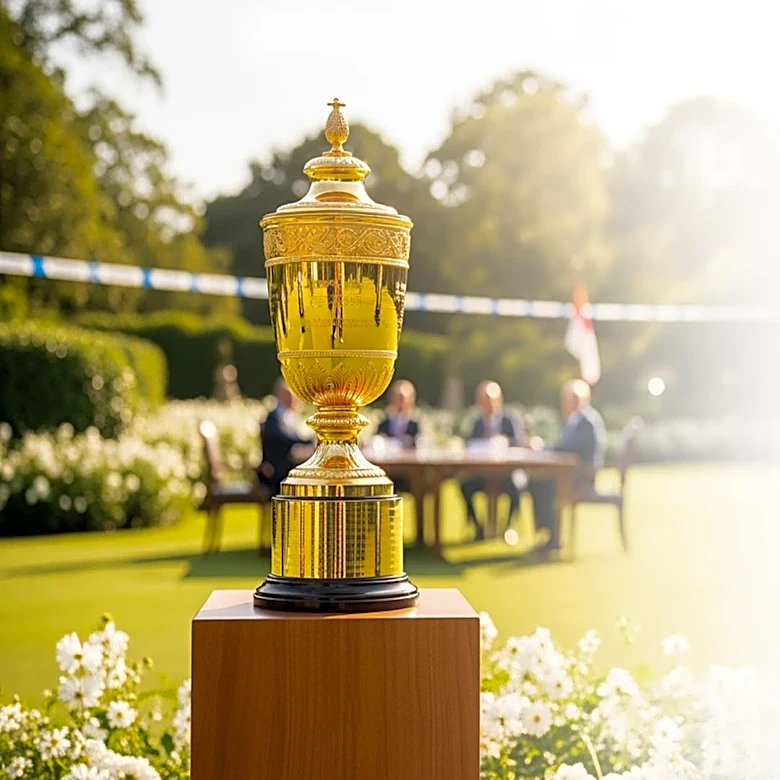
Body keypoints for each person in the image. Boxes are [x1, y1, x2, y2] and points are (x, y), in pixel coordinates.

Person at [529, 378, 606, 555]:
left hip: (581, 479)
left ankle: (552, 538)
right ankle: (550, 534)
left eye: (568, 399)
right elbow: (563, 446)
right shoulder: (576, 420)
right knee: (537, 482)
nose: (564, 403)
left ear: (577, 400)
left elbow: (568, 448)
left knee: (543, 484)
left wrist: (542, 447)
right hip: (572, 475)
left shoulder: (585, 421)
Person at [460, 380, 526, 540]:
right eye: (484, 400)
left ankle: (508, 527)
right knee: (464, 486)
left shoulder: (509, 420)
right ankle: (478, 527)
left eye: (491, 399)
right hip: (481, 474)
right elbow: (468, 443)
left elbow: (519, 442)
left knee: (517, 487)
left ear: (499, 400)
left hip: (506, 474)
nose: (488, 404)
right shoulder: (476, 422)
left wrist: (504, 442)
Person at [257, 378, 314, 496]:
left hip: (283, 465)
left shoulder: (286, 415)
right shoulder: (274, 416)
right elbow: (284, 439)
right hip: (274, 471)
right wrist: (307, 441)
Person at [376, 379, 420, 494]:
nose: (400, 402)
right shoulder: (383, 424)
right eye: (397, 397)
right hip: (387, 472)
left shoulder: (415, 425)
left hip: (410, 474)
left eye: (403, 398)